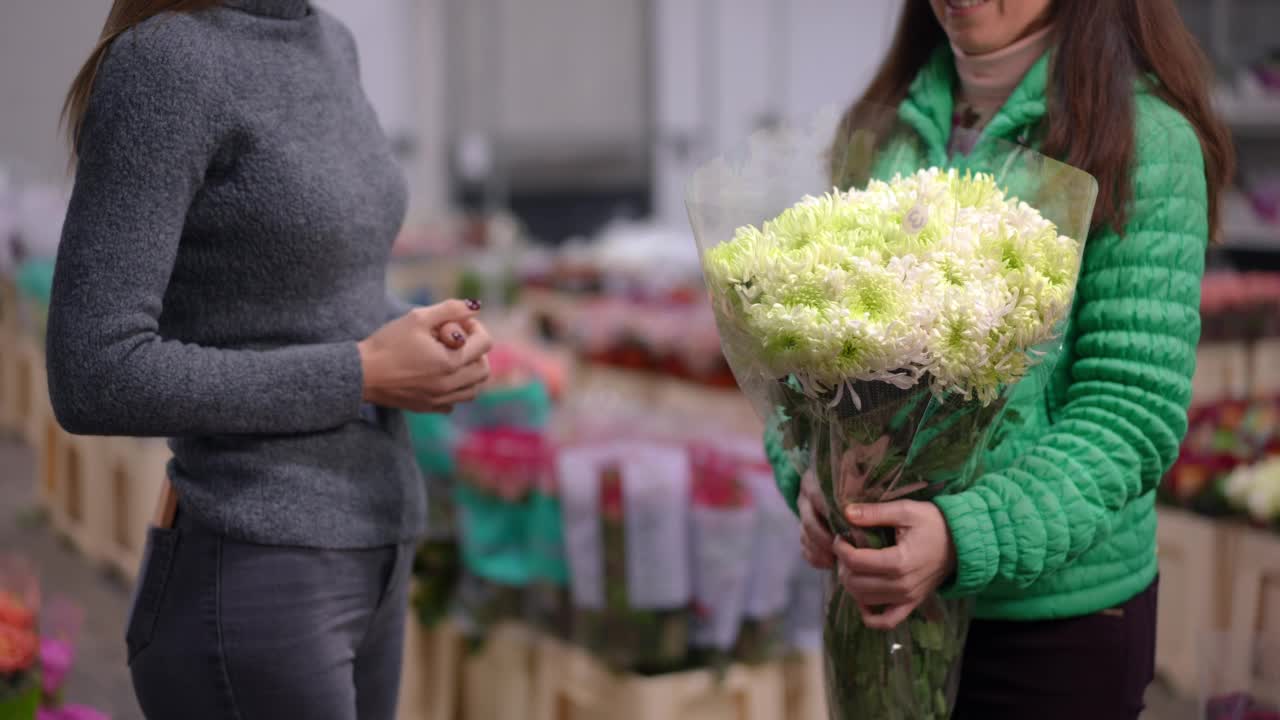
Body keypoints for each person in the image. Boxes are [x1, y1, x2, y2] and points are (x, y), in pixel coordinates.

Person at [763, 1, 1234, 718]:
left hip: (1052, 632)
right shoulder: (882, 126)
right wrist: (811, 478)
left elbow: (1128, 415)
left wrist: (962, 537)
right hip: (877, 611)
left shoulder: (1145, 139)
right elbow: (811, 358)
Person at [47, 1, 491, 717]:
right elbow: (94, 371)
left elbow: (315, 303)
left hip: (375, 541)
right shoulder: (167, 62)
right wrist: (362, 373)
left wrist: (419, 342)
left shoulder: (329, 42)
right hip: (256, 563)